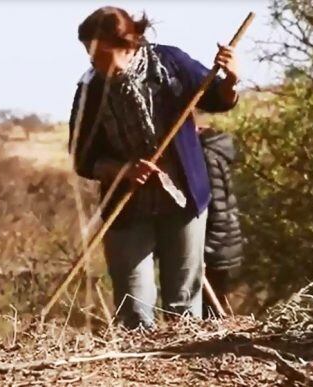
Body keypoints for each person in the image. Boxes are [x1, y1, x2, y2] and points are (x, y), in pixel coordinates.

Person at [69, 6, 240, 328]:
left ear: (127, 45)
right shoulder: (90, 89)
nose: (94, 62)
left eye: (101, 54)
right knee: (134, 306)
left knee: (184, 303)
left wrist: (230, 77)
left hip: (184, 198)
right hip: (127, 206)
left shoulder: (170, 63)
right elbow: (82, 158)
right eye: (89, 54)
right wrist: (123, 170)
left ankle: (189, 368)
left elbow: (218, 99)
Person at [199, 126, 244, 317]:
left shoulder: (207, 156)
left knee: (211, 310)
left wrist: (205, 251)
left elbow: (218, 209)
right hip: (223, 243)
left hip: (216, 246)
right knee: (212, 306)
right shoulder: (214, 152)